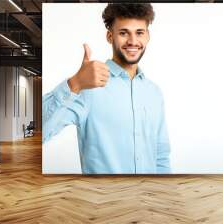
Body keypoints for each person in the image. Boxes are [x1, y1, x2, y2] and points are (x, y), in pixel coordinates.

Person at [43, 3, 171, 174]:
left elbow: (161, 154)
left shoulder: (154, 92)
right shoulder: (88, 86)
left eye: (139, 32)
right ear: (110, 36)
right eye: (123, 33)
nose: (133, 41)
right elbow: (42, 131)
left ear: (147, 36)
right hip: (105, 199)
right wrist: (75, 83)